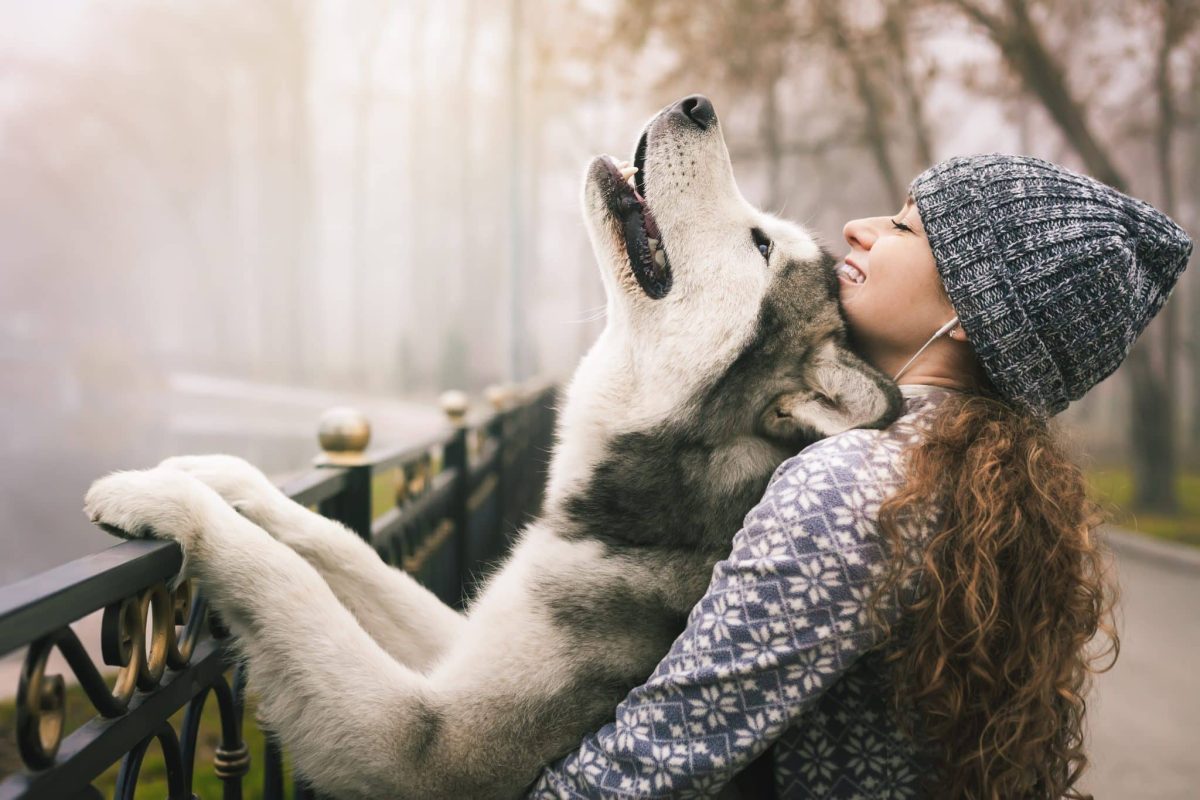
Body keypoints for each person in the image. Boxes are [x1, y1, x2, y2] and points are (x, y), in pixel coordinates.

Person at [525, 154, 1194, 799]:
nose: (859, 230)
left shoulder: (854, 488)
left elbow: (666, 749)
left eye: (904, 227)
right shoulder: (970, 478)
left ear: (971, 312)